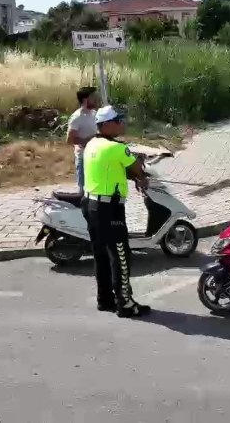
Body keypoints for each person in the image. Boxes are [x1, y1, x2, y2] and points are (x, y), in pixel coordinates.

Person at [81, 105, 152, 318]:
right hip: (109, 209)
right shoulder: (117, 148)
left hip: (91, 204)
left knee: (100, 254)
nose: (122, 123)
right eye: (118, 120)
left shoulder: (92, 144)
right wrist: (141, 176)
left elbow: (113, 169)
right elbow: (136, 168)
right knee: (121, 255)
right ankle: (126, 304)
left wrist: (133, 175)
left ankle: (105, 299)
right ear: (106, 125)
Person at [66, 87, 99, 191]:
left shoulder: (95, 114)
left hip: (97, 156)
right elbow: (70, 140)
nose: (96, 99)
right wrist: (89, 140)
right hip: (83, 157)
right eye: (93, 97)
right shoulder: (77, 117)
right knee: (84, 189)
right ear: (85, 100)